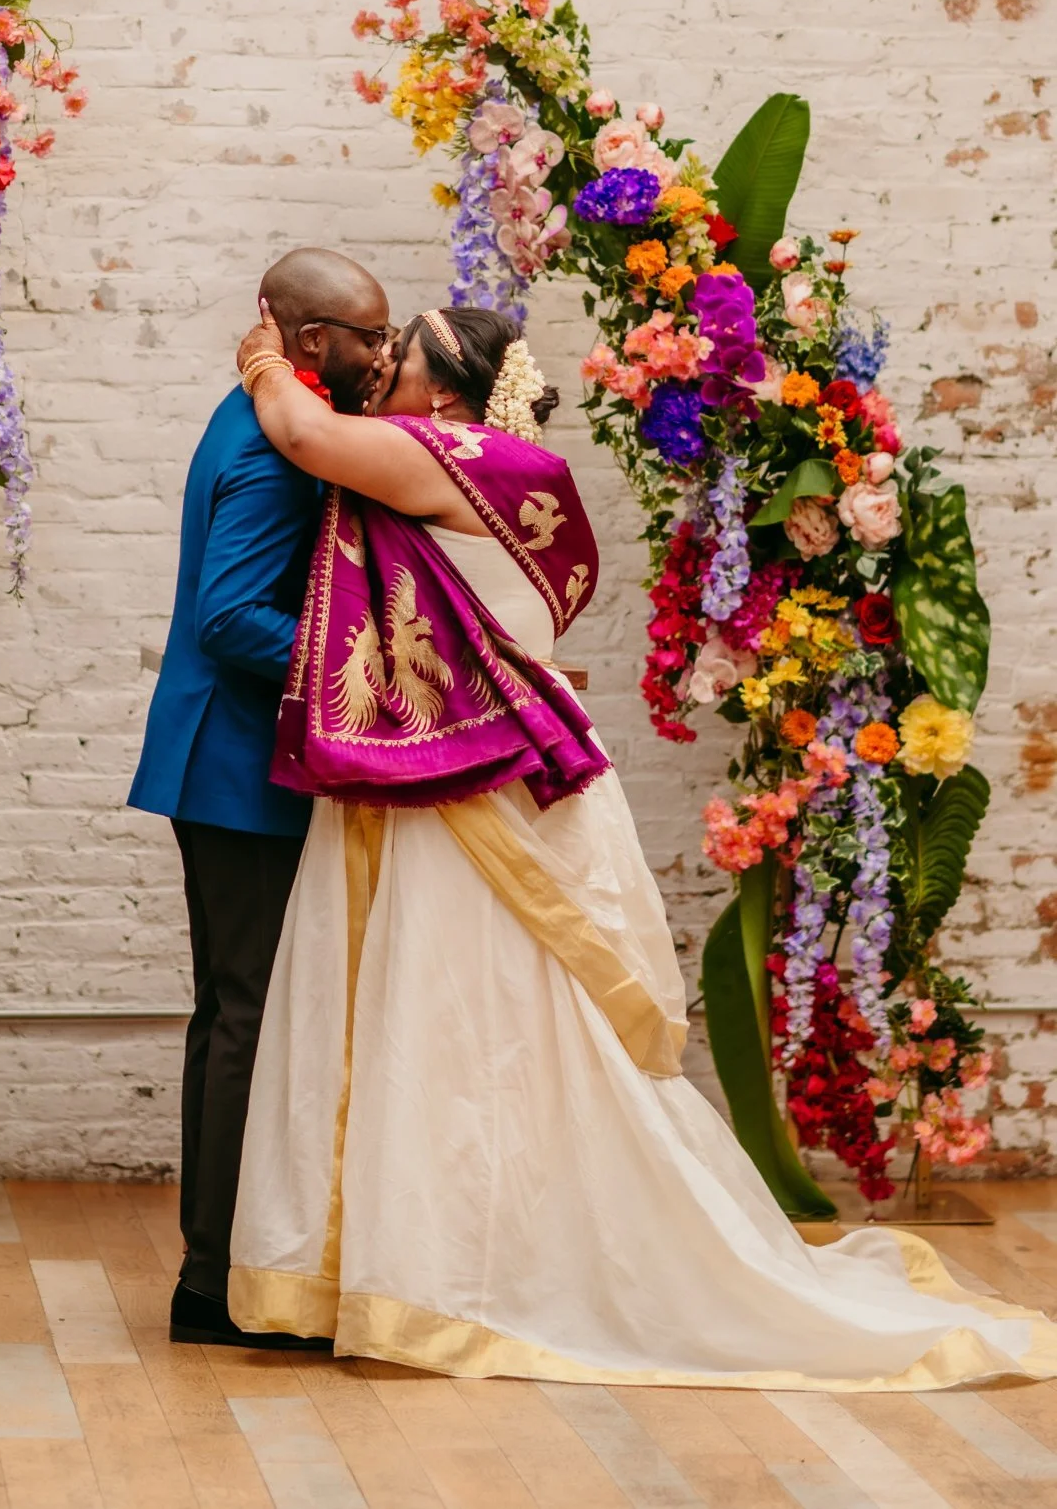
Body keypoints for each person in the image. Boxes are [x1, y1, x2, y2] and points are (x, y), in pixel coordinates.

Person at [226, 303, 1057, 1389]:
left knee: (466, 1022)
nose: (383, 364)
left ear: (445, 392)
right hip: (472, 776)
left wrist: (260, 359)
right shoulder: (494, 463)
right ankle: (450, 1261)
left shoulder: (459, 454)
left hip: (471, 789)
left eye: (405, 354)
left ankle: (462, 1275)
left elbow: (304, 436)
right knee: (474, 1030)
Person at [129, 248, 391, 1346]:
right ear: (313, 339)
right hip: (240, 770)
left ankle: (215, 1269)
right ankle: (211, 1281)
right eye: (369, 337)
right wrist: (365, 685)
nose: (384, 353)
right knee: (244, 1016)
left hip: (225, 761)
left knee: (228, 1015)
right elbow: (232, 617)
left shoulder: (260, 410)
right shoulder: (279, 450)